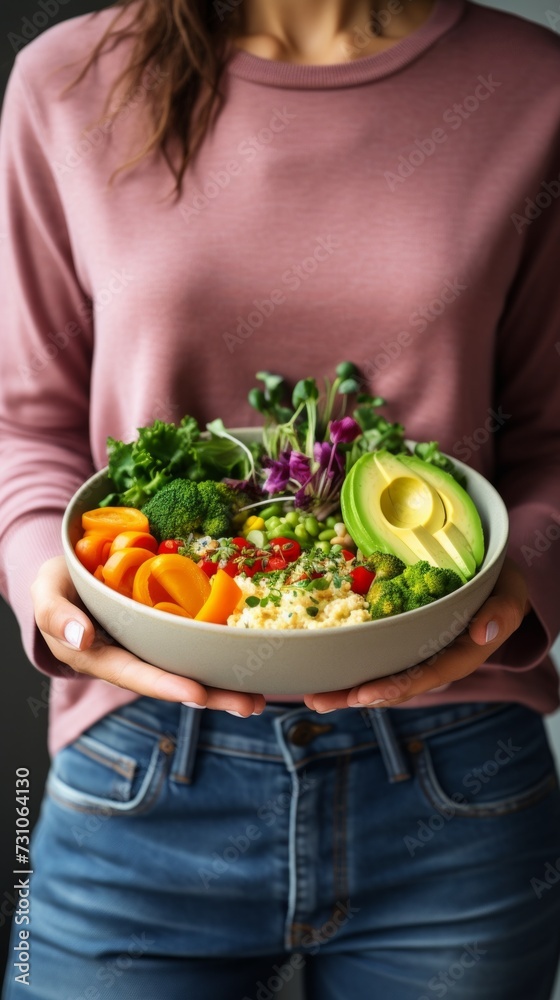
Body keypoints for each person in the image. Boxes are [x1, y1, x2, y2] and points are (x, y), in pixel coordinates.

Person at [1, 0, 560, 996]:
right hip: (139, 756)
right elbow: (25, 424)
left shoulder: (532, 86)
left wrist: (520, 575)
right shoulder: (67, 80)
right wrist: (47, 574)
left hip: (453, 768)